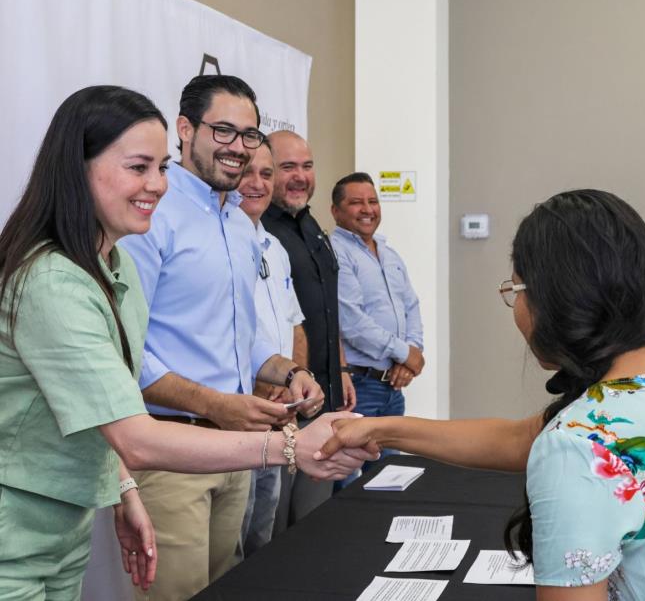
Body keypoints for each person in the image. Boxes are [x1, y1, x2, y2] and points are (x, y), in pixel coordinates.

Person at [0, 85, 372, 601]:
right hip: (18, 534)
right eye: (138, 168)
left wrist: (124, 486)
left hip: (67, 528)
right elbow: (135, 432)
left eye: (158, 168)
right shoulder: (51, 280)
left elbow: (104, 398)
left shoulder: (117, 264)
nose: (156, 185)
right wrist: (290, 447)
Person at [319, 189, 645, 600]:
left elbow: (565, 444)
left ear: (556, 302)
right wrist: (385, 430)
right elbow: (521, 439)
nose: (515, 308)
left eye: (515, 289)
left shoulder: (576, 445)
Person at [118, 76, 338, 600]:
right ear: (185, 129)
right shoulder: (153, 215)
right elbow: (126, 352)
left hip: (234, 450)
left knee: (229, 586)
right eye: (223, 131)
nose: (238, 147)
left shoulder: (240, 226)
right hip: (172, 450)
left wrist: (291, 372)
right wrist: (217, 404)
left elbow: (244, 340)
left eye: (248, 134)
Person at [261, 131, 356, 531]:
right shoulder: (261, 231)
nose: (300, 176)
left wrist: (342, 368)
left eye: (307, 166)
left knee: (317, 525)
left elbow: (326, 310)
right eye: (287, 168)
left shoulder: (313, 226)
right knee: (277, 529)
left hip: (327, 401)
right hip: (289, 411)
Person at [237, 140, 306, 554]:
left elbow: (294, 323)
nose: (257, 183)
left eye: (266, 174)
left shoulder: (275, 248)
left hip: (279, 415)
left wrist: (293, 376)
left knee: (262, 536)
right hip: (239, 413)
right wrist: (262, 385)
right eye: (247, 172)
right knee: (233, 543)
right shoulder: (220, 241)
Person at [330, 172, 423, 456]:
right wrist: (404, 353)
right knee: (346, 483)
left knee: (389, 480)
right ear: (335, 211)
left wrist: (410, 355)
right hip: (359, 389)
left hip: (393, 388)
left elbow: (411, 306)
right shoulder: (335, 252)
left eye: (373, 201)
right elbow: (352, 323)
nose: (368, 209)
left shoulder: (389, 252)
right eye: (356, 202)